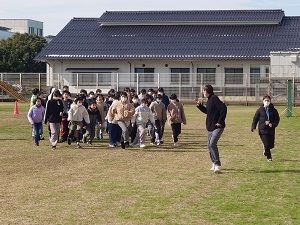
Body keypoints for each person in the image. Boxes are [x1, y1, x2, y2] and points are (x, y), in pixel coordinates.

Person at [195, 84, 227, 173]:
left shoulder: (214, 98)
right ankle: (213, 162)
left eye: (203, 91)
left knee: (212, 143)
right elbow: (207, 112)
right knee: (209, 145)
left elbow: (223, 108)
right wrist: (200, 106)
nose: (203, 92)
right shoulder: (209, 100)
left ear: (207, 91)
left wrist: (220, 122)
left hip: (217, 126)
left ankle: (217, 165)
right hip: (210, 126)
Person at [251, 95, 280, 162]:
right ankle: (269, 157)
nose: (266, 102)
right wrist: (253, 127)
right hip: (262, 129)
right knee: (266, 144)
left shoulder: (273, 110)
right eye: (265, 100)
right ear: (263, 101)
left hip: (271, 130)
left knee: (271, 145)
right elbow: (255, 119)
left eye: (268, 101)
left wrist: (273, 124)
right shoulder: (260, 110)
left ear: (270, 101)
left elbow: (277, 119)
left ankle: (265, 149)